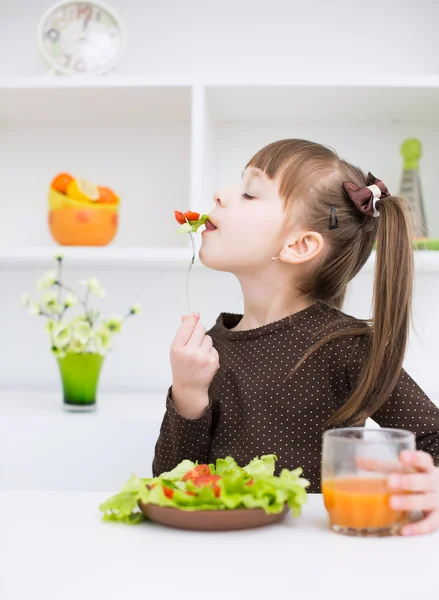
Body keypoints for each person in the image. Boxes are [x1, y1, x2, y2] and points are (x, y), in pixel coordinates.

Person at [153, 139, 439, 535]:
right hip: (220, 563)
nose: (219, 194)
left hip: (317, 562)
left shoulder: (344, 346)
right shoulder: (209, 349)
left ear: (299, 245)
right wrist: (187, 397)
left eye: (250, 193)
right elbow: (170, 485)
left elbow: (432, 440)